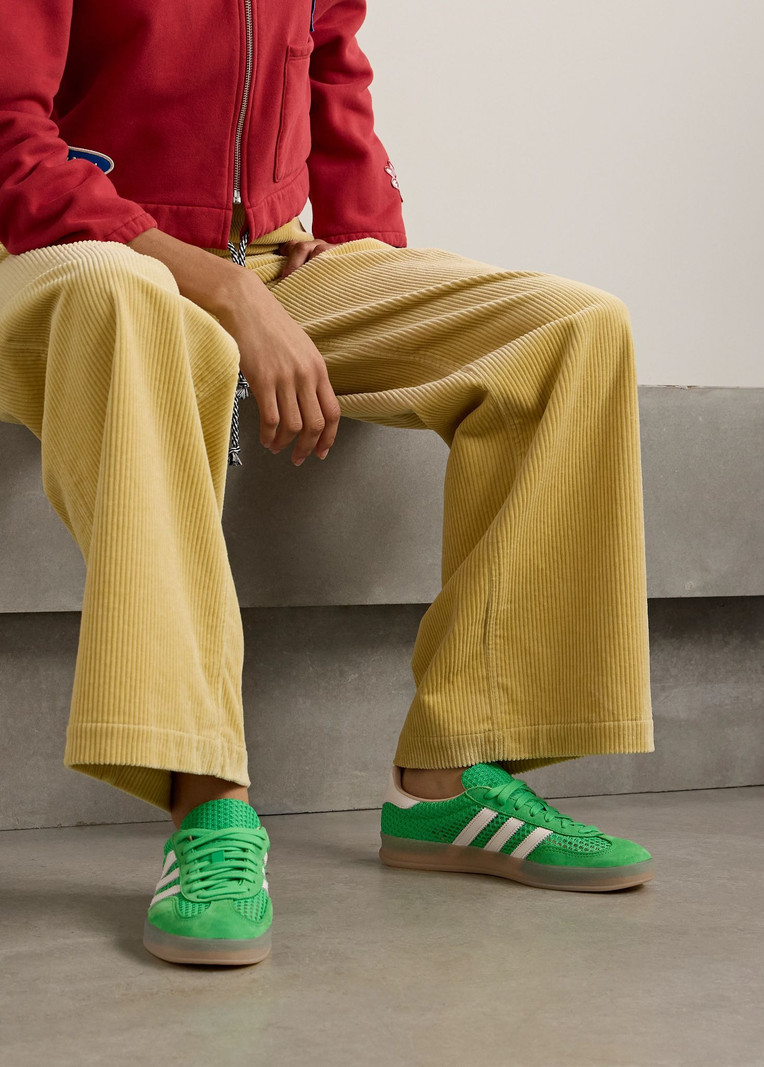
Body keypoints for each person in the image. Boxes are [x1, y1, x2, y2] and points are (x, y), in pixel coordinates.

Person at [0, 0, 655, 967]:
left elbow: (333, 72)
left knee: (573, 329)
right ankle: (208, 799)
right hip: (66, 255)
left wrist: (360, 249)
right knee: (135, 303)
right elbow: (11, 140)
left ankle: (451, 781)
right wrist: (220, 289)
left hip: (264, 261)